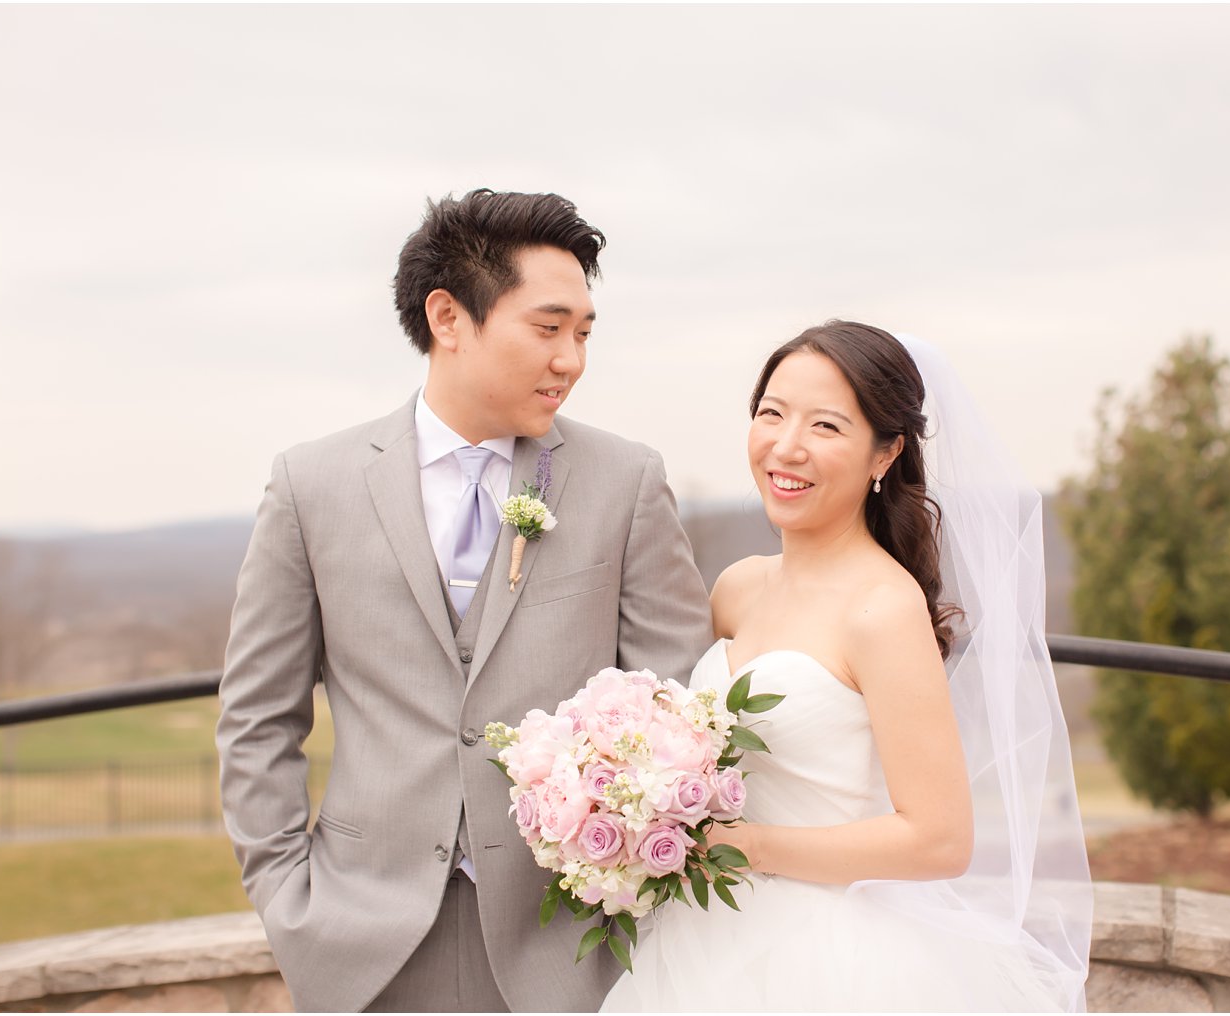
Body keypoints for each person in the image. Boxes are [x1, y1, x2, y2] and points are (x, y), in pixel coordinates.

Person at [216, 189, 714, 1013]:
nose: (572, 359)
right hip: (361, 942)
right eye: (548, 328)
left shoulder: (625, 482)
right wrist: (284, 894)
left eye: (584, 333)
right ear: (448, 318)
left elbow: (678, 707)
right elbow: (258, 716)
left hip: (566, 946)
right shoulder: (313, 484)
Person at [601, 321, 1093, 1012]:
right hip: (695, 938)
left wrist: (748, 848)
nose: (786, 447)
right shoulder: (737, 587)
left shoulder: (883, 609)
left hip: (823, 956)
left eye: (826, 427)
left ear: (884, 454)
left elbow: (939, 839)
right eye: (771, 414)